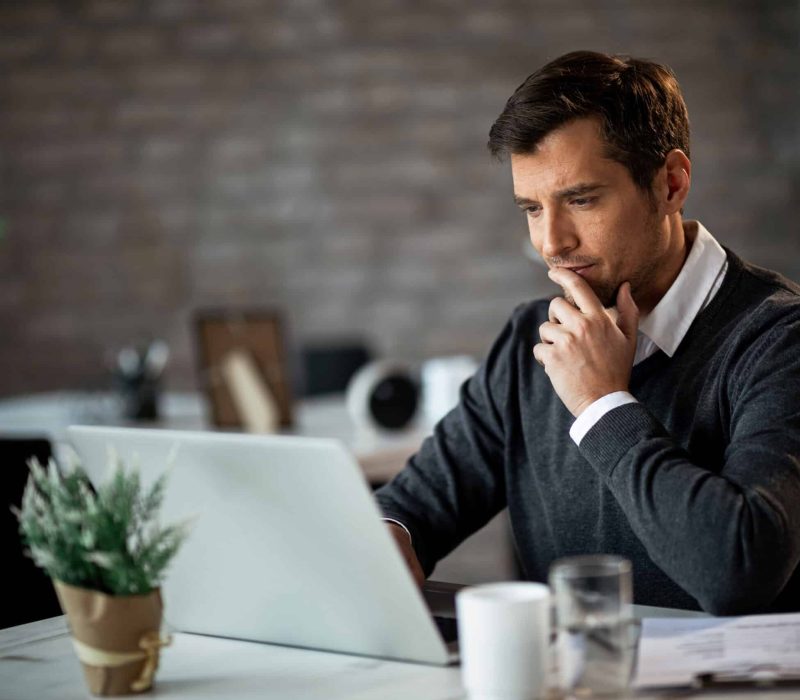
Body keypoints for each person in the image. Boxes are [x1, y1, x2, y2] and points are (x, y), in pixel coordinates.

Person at [376, 50, 800, 615]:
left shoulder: (779, 338)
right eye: (531, 207)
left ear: (671, 184)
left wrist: (601, 403)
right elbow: (415, 505)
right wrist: (389, 538)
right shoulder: (533, 335)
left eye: (581, 199)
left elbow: (736, 570)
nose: (551, 243)